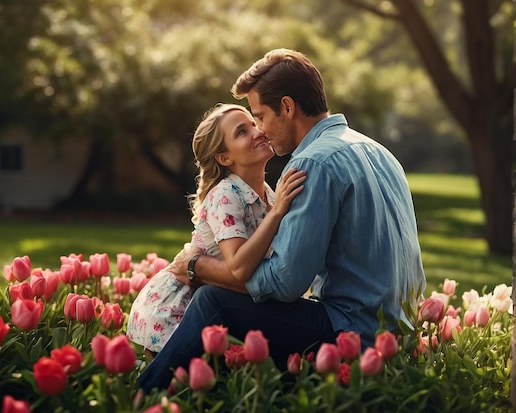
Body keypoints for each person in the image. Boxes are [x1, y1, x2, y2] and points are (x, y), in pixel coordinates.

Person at [136, 48, 426, 393]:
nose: (260, 129)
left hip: (354, 333)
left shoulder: (313, 163)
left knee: (214, 301)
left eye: (259, 116)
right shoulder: (378, 151)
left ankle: (142, 396)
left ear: (287, 108)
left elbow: (284, 284)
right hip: (400, 334)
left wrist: (198, 266)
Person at [126, 103, 306, 361]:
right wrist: (277, 213)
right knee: (178, 393)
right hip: (176, 308)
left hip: (217, 304)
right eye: (242, 132)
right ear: (224, 158)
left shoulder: (268, 193)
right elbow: (239, 268)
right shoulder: (225, 195)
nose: (258, 132)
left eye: (254, 124)